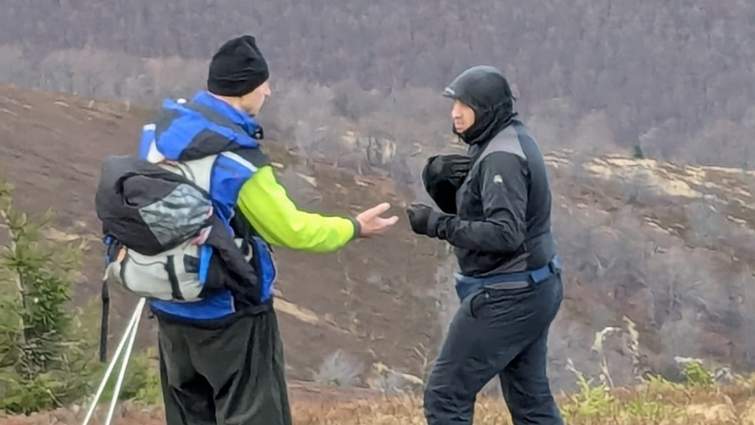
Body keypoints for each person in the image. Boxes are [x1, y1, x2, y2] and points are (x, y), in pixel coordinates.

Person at [141, 35, 398, 425]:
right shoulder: (238, 160)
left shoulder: (161, 132)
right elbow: (291, 229)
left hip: (168, 306)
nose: (269, 91)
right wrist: (353, 227)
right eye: (263, 84)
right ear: (245, 88)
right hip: (230, 314)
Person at [407, 65, 564, 425]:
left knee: (445, 395)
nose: (455, 112)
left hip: (508, 294)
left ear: (488, 109)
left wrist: (437, 224)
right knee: (530, 401)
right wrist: (452, 188)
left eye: (465, 105)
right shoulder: (507, 139)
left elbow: (505, 234)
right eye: (454, 103)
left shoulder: (501, 158)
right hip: (535, 286)